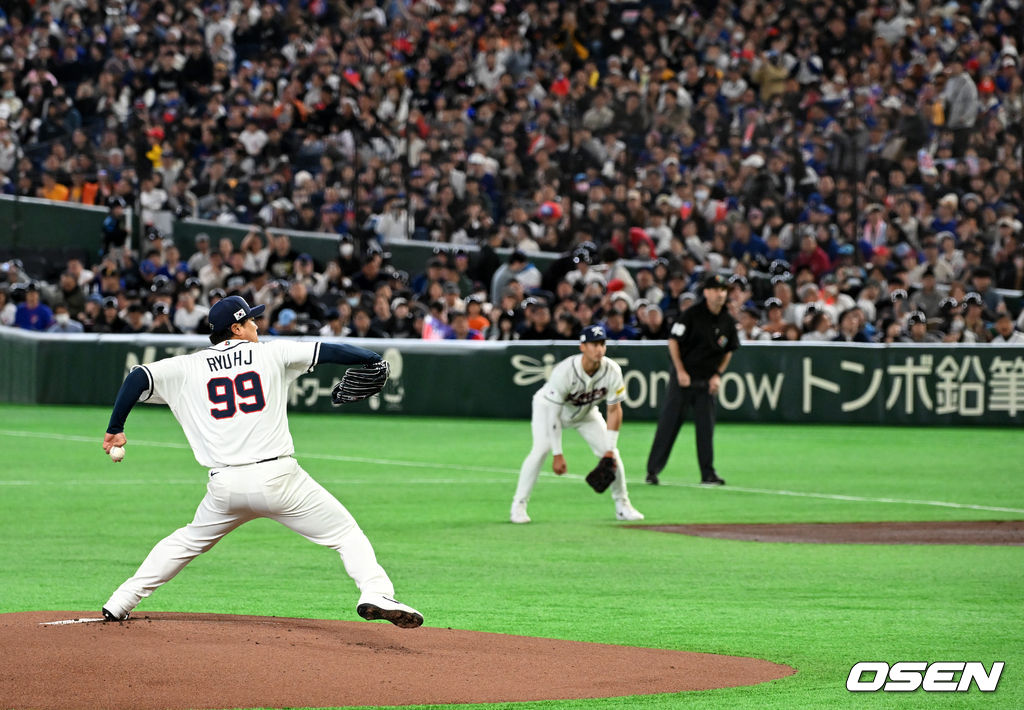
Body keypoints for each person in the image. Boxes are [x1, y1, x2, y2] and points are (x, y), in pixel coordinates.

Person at [99, 295, 422, 629]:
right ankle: (376, 592)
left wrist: (115, 429)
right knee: (345, 533)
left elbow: (137, 377)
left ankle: (121, 600)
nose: (257, 325)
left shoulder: (187, 366)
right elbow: (328, 350)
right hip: (279, 479)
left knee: (185, 542)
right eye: (250, 320)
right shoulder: (270, 352)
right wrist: (372, 358)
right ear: (236, 328)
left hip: (225, 487)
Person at [510, 324, 644, 524]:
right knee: (541, 449)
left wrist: (609, 448)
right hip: (548, 409)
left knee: (612, 457)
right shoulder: (565, 371)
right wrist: (557, 453)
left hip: (585, 413)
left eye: (602, 344)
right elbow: (553, 415)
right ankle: (518, 505)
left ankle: (622, 505)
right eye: (593, 344)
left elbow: (614, 410)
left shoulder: (611, 370)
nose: (599, 349)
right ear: (582, 346)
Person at [646, 273, 740, 486]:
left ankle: (708, 473)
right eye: (715, 290)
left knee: (706, 429)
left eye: (723, 290)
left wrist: (717, 375)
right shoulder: (691, 314)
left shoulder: (727, 320)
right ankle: (652, 471)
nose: (720, 294)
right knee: (669, 425)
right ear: (706, 292)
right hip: (684, 379)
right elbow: (673, 341)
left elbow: (729, 349)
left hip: (706, 381)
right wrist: (680, 371)